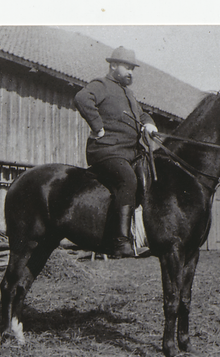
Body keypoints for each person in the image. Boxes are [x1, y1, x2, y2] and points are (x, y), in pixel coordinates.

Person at [74, 46, 159, 257]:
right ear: (113, 66)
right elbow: (82, 98)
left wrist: (149, 124)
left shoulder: (128, 94)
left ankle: (144, 236)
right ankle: (120, 241)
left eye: (132, 68)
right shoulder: (101, 85)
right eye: (126, 67)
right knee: (127, 179)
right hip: (106, 150)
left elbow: (142, 114)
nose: (130, 72)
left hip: (130, 153)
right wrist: (97, 126)